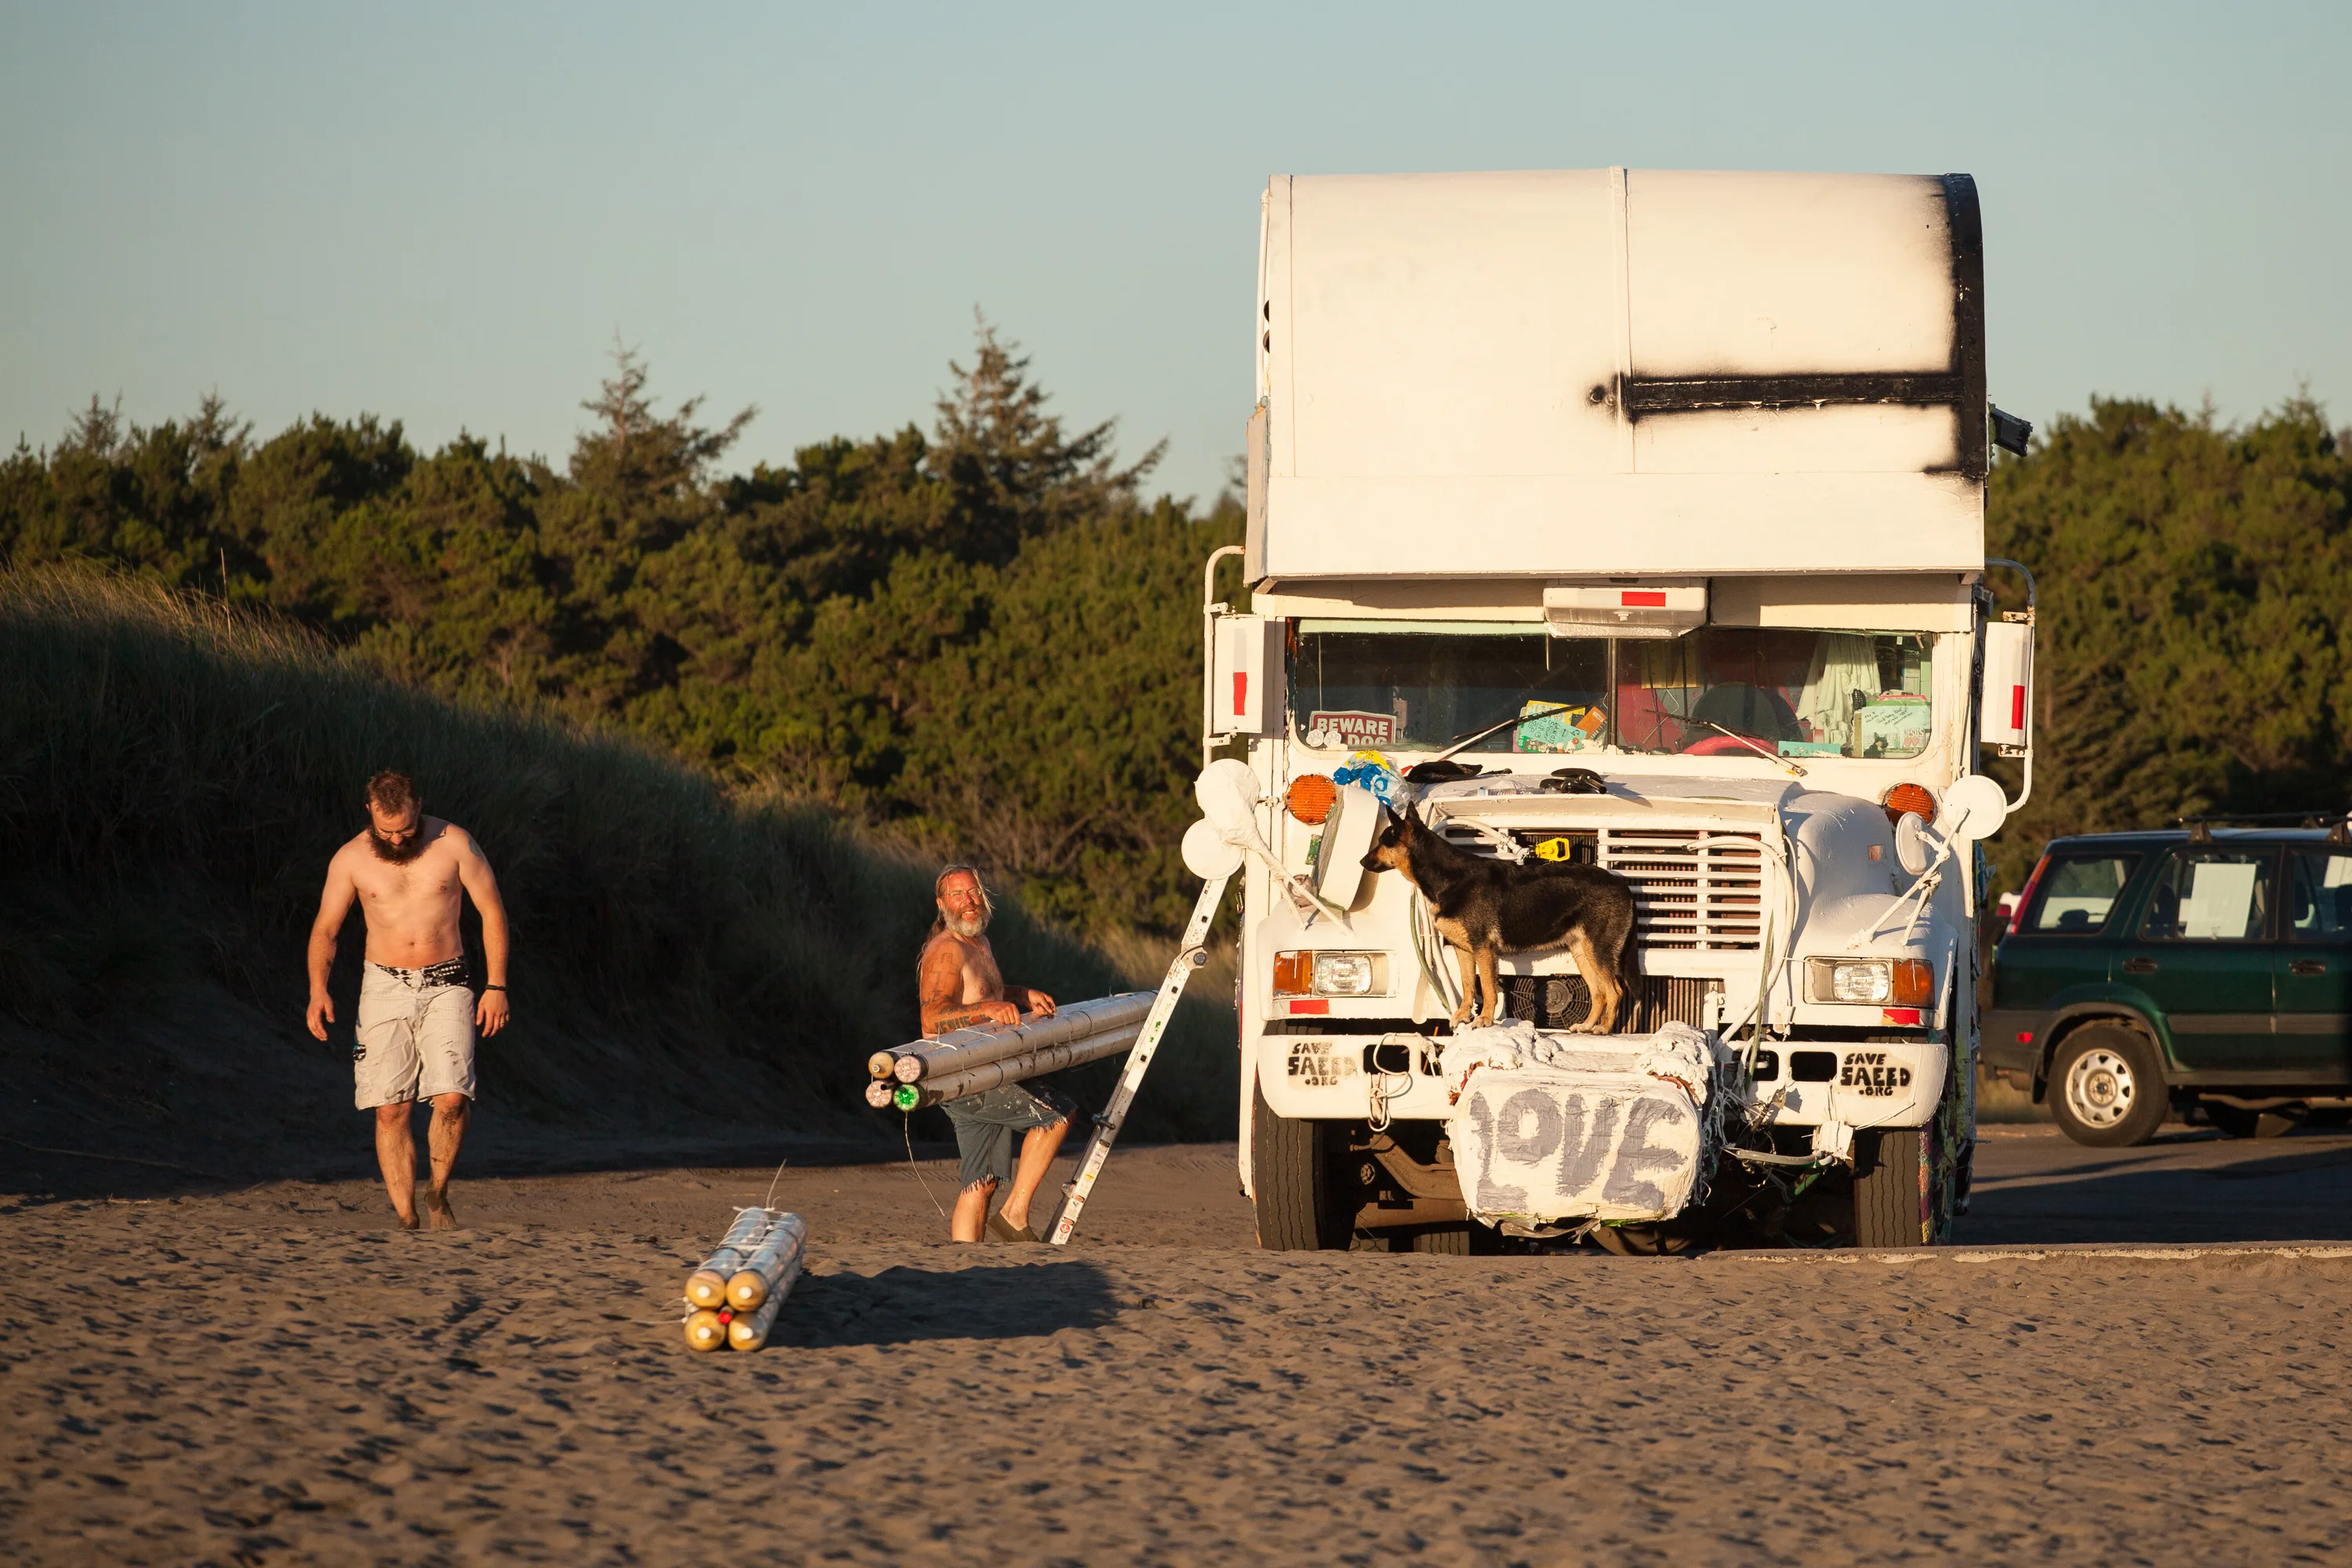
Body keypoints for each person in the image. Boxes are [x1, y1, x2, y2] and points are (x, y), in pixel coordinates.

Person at [306, 771, 511, 1229]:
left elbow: (492, 911)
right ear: (370, 813)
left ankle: (438, 1190)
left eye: (406, 829)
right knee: (390, 1108)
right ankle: (407, 1219)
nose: (397, 840)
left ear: (419, 806)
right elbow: (326, 929)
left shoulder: (455, 843)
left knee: (452, 1098)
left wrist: (496, 985)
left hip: (448, 979)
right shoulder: (351, 859)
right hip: (383, 984)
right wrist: (318, 989)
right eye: (386, 832)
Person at [917, 865, 1069, 1243]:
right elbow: (932, 1017)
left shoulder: (979, 943)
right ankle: (1014, 1215)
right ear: (941, 904)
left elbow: (985, 996)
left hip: (987, 1068)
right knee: (1056, 1116)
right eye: (957, 895)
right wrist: (988, 1010)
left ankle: (966, 1264)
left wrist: (1021, 995)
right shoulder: (947, 950)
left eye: (974, 893)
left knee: (981, 1181)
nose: (969, 902)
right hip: (962, 1073)